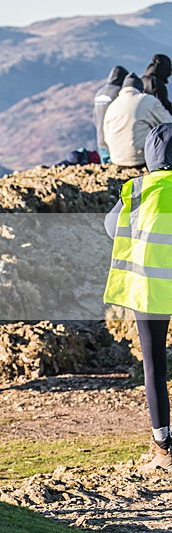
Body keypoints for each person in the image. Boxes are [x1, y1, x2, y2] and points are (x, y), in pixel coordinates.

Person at [104, 123, 172, 472]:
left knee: (154, 366)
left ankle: (164, 447)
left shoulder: (138, 189)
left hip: (150, 289)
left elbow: (110, 227)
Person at [103, 73, 172, 168]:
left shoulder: (113, 105)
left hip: (117, 159)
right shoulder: (147, 100)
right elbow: (168, 124)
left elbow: (106, 136)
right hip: (140, 159)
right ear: (141, 89)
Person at [93, 65, 129, 163]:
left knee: (105, 168)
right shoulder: (119, 93)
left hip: (100, 139)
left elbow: (95, 118)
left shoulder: (99, 93)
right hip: (114, 141)